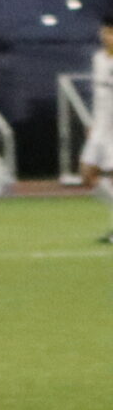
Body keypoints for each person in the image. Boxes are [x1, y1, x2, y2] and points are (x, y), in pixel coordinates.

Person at [82, 16, 113, 243]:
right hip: (101, 127)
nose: (106, 37)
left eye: (110, 33)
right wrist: (94, 123)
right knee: (87, 174)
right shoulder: (98, 59)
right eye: (105, 32)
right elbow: (98, 96)